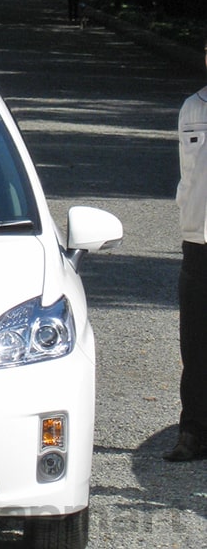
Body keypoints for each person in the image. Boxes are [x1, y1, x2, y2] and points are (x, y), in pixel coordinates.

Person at [166, 43, 207, 462]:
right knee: (194, 343)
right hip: (198, 241)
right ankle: (193, 431)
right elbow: (187, 174)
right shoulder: (192, 108)